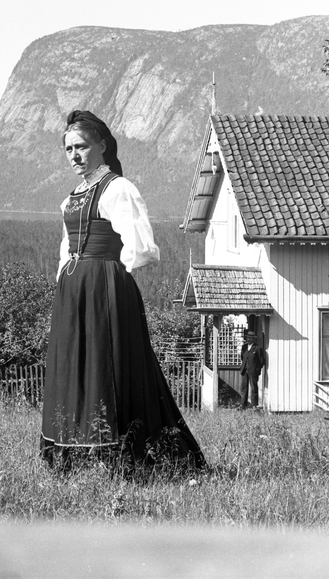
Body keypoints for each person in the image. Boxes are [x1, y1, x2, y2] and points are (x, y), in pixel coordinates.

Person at [41, 110, 207, 473]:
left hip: (104, 287)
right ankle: (77, 450)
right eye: (68, 149)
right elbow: (66, 247)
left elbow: (141, 248)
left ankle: (124, 452)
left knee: (110, 362)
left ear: (101, 145)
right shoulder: (71, 199)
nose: (74, 155)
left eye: (81, 146)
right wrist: (66, 284)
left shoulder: (117, 188)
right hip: (73, 289)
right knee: (75, 364)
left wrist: (111, 279)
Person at [239, 330, 267, 410]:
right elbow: (242, 357)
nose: (249, 339)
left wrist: (257, 369)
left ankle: (254, 405)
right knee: (243, 388)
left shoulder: (258, 348)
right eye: (248, 337)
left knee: (254, 388)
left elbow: (262, 361)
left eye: (251, 338)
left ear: (253, 339)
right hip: (244, 370)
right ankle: (243, 405)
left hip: (253, 371)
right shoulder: (244, 347)